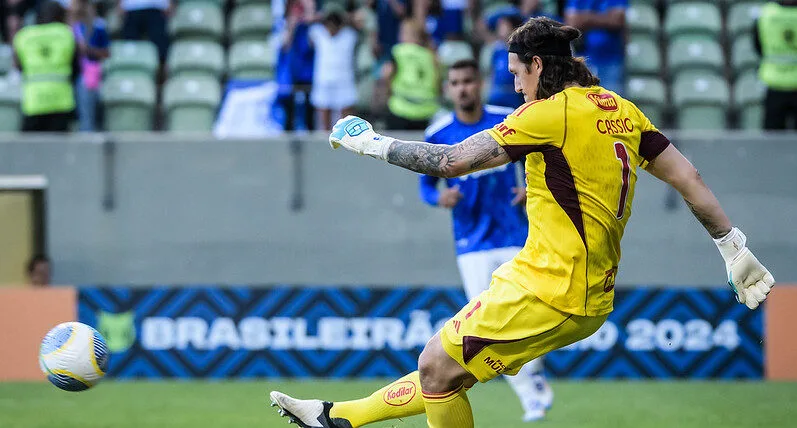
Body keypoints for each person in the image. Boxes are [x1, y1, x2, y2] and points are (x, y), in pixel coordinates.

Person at [271, 17, 775, 428]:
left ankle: (338, 420)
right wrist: (732, 246)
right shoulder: (623, 111)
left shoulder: (549, 114)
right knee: (445, 375)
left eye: (516, 72)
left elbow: (451, 161)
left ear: (538, 65)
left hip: (551, 288)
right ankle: (337, 419)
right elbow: (689, 178)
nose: (514, 85)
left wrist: (371, 143)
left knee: (435, 366)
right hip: (572, 288)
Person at [420, 58, 552, 422]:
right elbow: (425, 185)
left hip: (513, 233)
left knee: (528, 311)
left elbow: (539, 154)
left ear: (478, 83)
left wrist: (530, 184)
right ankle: (533, 392)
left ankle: (533, 383)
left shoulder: (505, 117)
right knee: (490, 323)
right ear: (449, 89)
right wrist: (438, 198)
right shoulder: (438, 132)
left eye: (468, 80)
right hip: (471, 242)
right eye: (456, 82)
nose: (462, 88)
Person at [13, 1, 79, 132]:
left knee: (31, 149)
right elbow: (76, 67)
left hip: (33, 101)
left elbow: (19, 67)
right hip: (61, 101)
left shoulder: (23, 36)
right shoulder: (67, 34)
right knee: (59, 149)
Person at [382, 18, 440, 130]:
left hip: (400, 109)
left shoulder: (398, 52)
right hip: (426, 111)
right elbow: (437, 84)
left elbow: (387, 74)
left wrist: (388, 94)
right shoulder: (433, 56)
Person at [309, 5, 358, 130]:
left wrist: (345, 18)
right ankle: (326, 141)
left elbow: (357, 24)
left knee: (347, 121)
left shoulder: (349, 35)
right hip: (323, 80)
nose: (331, 28)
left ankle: (348, 141)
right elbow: (308, 22)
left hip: (344, 80)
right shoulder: (317, 33)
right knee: (324, 119)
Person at [565, 0, 626, 94]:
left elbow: (617, 19)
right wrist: (604, 18)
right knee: (583, 103)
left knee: (613, 104)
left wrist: (585, 19)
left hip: (610, 61)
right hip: (582, 62)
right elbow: (572, 22)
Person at [753, 0, 797, 130]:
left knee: (772, 140)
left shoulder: (766, 13)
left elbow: (758, 46)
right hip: (776, 84)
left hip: (774, 81)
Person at [71, 0, 110, 132]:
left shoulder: (98, 26)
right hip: (70, 74)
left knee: (88, 116)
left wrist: (88, 50)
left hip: (89, 75)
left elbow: (106, 52)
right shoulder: (68, 27)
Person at [486, 11, 526, 108]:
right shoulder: (497, 50)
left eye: (504, 25)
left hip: (514, 96)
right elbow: (492, 73)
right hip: (495, 95)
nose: (500, 28)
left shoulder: (521, 50)